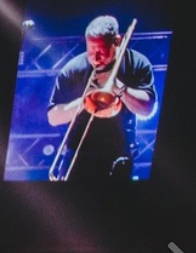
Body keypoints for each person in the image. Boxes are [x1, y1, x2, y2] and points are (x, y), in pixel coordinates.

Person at [46, 14, 157, 182]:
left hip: (119, 153)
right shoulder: (72, 69)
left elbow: (147, 109)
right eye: (91, 51)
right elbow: (53, 118)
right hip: (78, 152)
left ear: (117, 41)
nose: (96, 58)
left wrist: (119, 87)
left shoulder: (137, 63)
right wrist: (85, 100)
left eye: (101, 51)